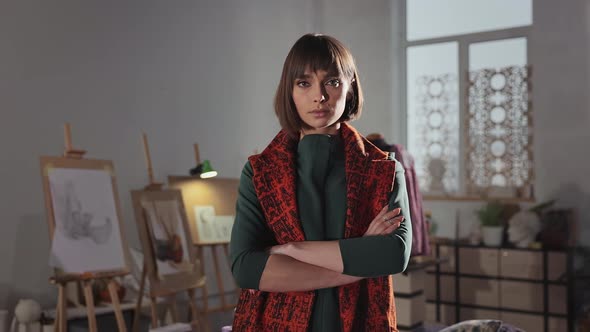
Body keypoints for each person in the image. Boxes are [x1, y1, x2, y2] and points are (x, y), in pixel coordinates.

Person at [229, 33, 412, 332]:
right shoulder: (260, 172)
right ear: (289, 90)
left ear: (350, 86)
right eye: (304, 83)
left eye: (332, 82)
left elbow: (393, 254)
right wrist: (358, 263)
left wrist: (293, 251)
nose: (320, 96)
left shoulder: (383, 169)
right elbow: (246, 268)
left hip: (361, 323)